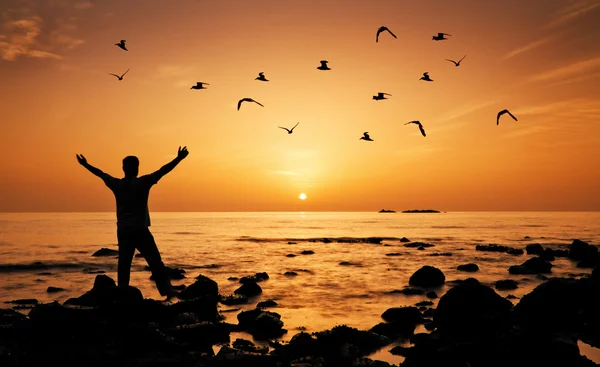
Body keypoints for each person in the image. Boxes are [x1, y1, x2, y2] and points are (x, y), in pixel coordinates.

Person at [76, 146, 189, 299]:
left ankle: (123, 292)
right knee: (155, 262)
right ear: (137, 168)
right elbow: (163, 170)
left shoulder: (117, 184)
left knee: (124, 264)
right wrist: (179, 158)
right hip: (140, 230)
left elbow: (101, 174)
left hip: (123, 230)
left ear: (123, 168)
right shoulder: (143, 182)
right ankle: (167, 291)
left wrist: (85, 164)